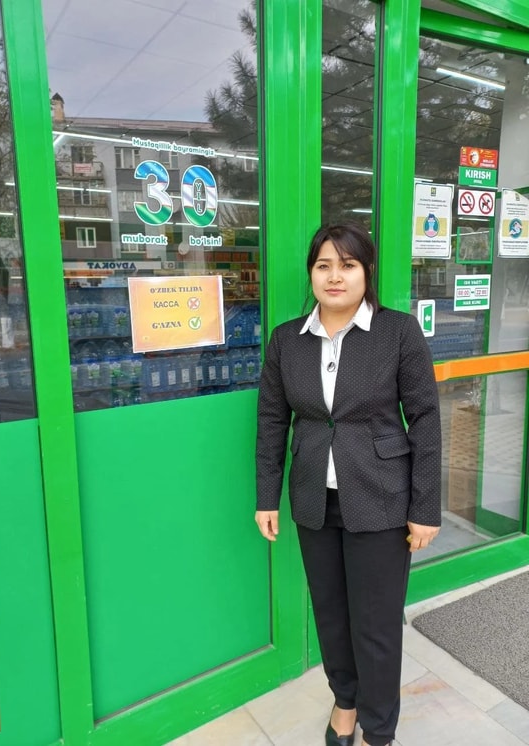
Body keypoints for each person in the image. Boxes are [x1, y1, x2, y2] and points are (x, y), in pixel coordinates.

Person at [255, 223, 441, 746]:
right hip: (314, 499)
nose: (335, 276)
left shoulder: (398, 332)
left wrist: (425, 507)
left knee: (375, 626)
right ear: (311, 273)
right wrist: (267, 497)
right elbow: (272, 421)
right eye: (324, 266)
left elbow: (425, 419)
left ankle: (378, 730)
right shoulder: (287, 340)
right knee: (331, 616)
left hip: (382, 499)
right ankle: (345, 702)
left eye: (348, 265)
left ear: (367, 271)